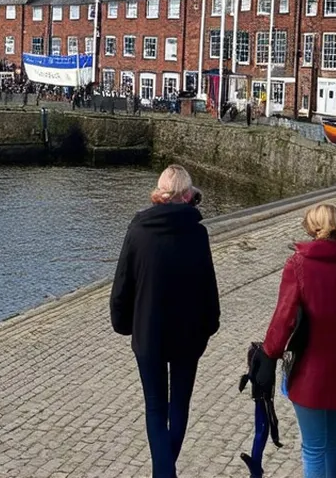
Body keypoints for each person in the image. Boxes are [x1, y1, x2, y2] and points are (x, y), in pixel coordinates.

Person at [255, 203, 336, 478]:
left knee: (314, 448)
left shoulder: (298, 265)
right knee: (331, 446)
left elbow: (284, 318)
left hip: (309, 374)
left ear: (310, 227)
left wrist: (269, 355)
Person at [110, 165, 220, 478]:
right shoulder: (197, 233)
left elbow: (122, 284)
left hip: (148, 333)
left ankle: (163, 472)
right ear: (188, 195)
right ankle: (165, 471)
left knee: (156, 407)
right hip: (188, 335)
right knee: (179, 405)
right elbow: (207, 286)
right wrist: (209, 325)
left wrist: (122, 323)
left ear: (159, 194)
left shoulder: (139, 230)